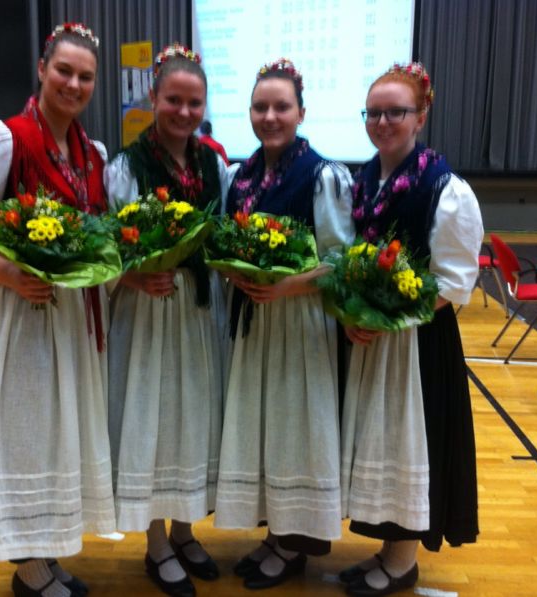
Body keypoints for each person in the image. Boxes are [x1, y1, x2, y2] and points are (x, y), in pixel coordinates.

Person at [0, 23, 114, 597]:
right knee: (25, 437)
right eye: (64, 70)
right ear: (41, 69)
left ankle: (46, 553)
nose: (74, 84)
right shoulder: (4, 139)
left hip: (69, 318)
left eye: (85, 76)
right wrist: (13, 274)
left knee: (58, 435)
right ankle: (28, 569)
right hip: (15, 314)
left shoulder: (92, 154)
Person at [338, 62, 482, 596]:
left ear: (421, 115)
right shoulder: (363, 181)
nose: (382, 122)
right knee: (379, 446)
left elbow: (454, 282)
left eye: (395, 112)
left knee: (406, 448)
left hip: (417, 342)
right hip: (372, 339)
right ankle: (386, 550)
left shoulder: (446, 188)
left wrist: (388, 315)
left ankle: (402, 563)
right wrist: (353, 312)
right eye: (373, 113)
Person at [213, 58, 355, 590]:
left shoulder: (323, 175)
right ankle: (276, 533)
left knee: (297, 429)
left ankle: (295, 544)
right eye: (260, 107)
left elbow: (339, 259)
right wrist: (234, 270)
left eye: (281, 107)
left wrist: (286, 286)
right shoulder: (241, 176)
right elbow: (226, 243)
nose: (269, 116)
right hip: (255, 322)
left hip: (300, 324)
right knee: (265, 428)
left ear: (301, 112)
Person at [104, 42, 230, 597]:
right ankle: (156, 542)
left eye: (194, 102)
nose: (184, 111)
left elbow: (221, 234)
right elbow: (109, 246)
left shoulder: (214, 164)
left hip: (199, 309)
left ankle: (184, 529)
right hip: (150, 311)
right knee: (153, 420)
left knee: (195, 418)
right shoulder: (124, 167)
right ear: (153, 97)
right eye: (173, 99)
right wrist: (132, 277)